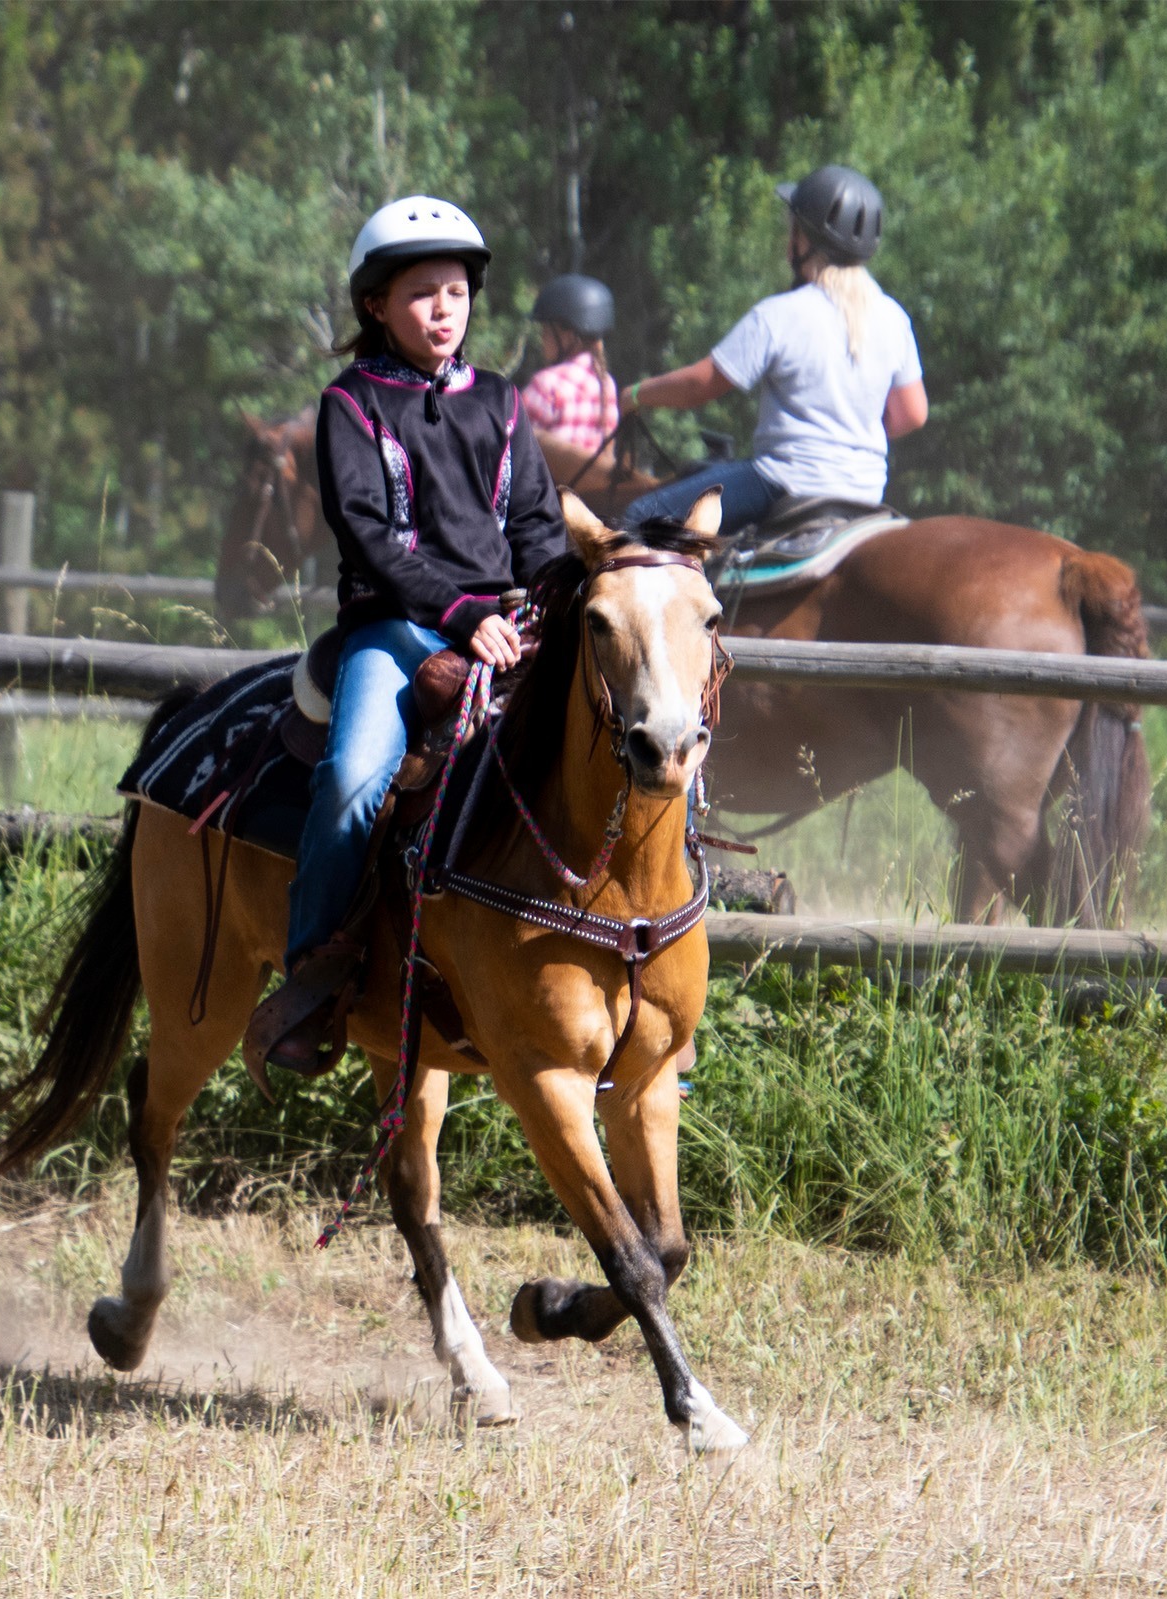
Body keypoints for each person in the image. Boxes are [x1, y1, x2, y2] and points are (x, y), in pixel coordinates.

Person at [250, 196, 567, 1075]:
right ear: (375, 307)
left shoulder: (502, 403)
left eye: (457, 292)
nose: (443, 309)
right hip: (395, 629)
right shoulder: (349, 405)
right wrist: (464, 612)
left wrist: (550, 602)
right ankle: (313, 973)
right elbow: (367, 535)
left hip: (507, 630)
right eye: (422, 292)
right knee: (354, 780)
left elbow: (538, 526)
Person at [619, 164, 929, 537]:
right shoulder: (893, 317)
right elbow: (912, 413)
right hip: (865, 492)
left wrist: (636, 394)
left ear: (805, 239)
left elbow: (700, 386)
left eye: (791, 228)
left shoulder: (781, 314)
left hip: (784, 481)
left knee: (639, 516)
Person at [521, 273, 620, 456]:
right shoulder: (607, 384)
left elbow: (511, 447)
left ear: (568, 335)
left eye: (546, 329)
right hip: (590, 484)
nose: (542, 337)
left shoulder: (546, 384)